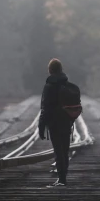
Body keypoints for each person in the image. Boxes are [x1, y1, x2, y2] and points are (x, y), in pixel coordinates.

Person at [38, 58, 77, 186]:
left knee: (58, 151)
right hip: (66, 122)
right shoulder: (68, 85)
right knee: (65, 150)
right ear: (61, 70)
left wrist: (41, 126)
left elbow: (45, 109)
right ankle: (63, 177)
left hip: (54, 123)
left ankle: (61, 179)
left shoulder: (49, 87)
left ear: (50, 71)